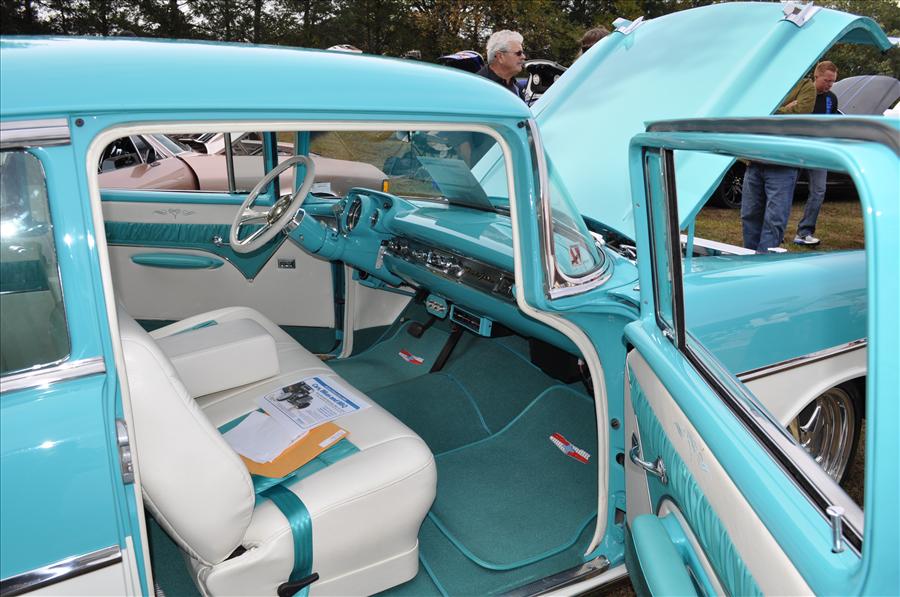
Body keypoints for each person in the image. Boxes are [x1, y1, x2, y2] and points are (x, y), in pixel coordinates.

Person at [741, 76, 816, 252]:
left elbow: (799, 114)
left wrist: (770, 111)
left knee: (774, 219)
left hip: (782, 163)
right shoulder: (767, 79)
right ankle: (749, 258)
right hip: (755, 159)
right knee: (749, 215)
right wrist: (783, 109)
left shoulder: (806, 86)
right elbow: (752, 109)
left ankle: (764, 261)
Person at [794, 61, 839, 246]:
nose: (829, 84)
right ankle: (774, 234)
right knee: (785, 190)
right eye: (826, 80)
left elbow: (831, 124)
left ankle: (804, 232)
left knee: (819, 191)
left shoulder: (832, 99)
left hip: (818, 152)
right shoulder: (802, 93)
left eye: (832, 81)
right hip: (796, 150)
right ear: (816, 76)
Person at [478, 30, 526, 101]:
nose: (523, 57)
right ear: (500, 56)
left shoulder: (517, 87)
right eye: (518, 53)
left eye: (522, 53)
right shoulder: (478, 86)